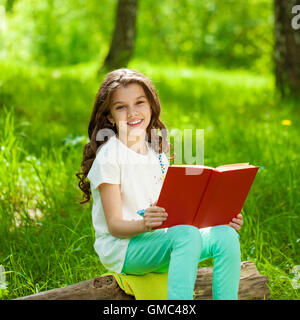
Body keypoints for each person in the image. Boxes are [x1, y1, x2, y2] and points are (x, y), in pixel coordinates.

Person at [76, 68, 243, 300]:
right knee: (186, 236)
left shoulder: (157, 152)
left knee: (225, 235)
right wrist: (145, 224)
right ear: (110, 117)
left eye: (139, 102)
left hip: (162, 241)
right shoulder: (109, 157)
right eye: (121, 107)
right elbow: (114, 226)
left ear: (151, 106)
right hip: (125, 250)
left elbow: (174, 212)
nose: (132, 112)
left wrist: (218, 217)